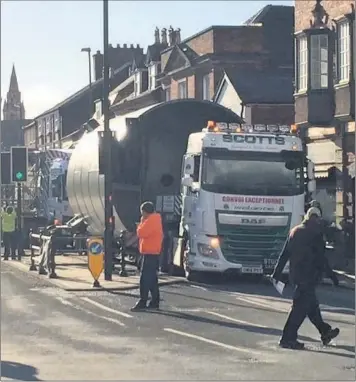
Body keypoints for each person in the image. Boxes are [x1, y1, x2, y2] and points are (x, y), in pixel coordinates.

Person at [272, 207, 340, 350]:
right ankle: (287, 338)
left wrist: (276, 274)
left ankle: (325, 331)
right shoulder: (316, 234)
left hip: (296, 276)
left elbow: (285, 254)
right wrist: (333, 276)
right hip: (309, 277)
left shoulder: (294, 231)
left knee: (311, 307)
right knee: (299, 310)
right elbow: (321, 259)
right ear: (318, 218)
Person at [131, 201, 163, 311]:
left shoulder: (151, 220)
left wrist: (141, 222)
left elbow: (141, 233)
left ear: (145, 212)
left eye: (142, 212)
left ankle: (143, 301)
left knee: (144, 279)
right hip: (152, 252)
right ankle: (155, 301)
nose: (141, 215)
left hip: (150, 253)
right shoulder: (155, 219)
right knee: (152, 279)